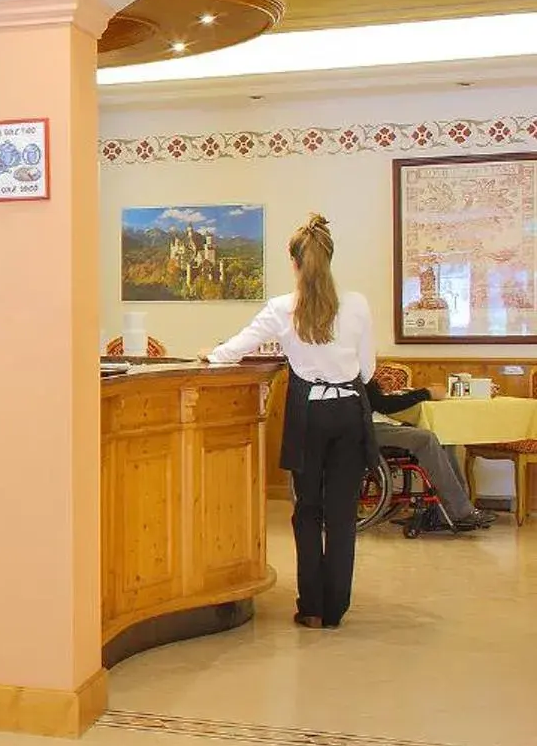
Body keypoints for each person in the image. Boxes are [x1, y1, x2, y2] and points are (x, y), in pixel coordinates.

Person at [208, 214, 375, 628]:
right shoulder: (357, 304)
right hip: (351, 411)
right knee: (341, 514)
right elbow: (367, 371)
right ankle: (336, 608)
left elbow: (234, 348)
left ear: (293, 261)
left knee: (307, 512)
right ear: (329, 258)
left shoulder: (282, 308)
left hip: (309, 414)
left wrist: (209, 356)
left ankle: (312, 607)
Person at [368, 379, 487, 530]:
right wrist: (426, 393)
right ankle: (459, 511)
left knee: (444, 436)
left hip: (373, 423)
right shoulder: (353, 371)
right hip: (364, 430)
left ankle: (453, 509)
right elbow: (384, 405)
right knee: (426, 439)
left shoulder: (358, 370)